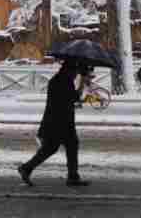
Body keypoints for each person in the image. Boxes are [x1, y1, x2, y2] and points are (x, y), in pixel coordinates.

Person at [17, 59, 88, 187]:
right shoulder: (64, 81)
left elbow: (68, 100)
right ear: (70, 70)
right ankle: (71, 177)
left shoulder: (60, 79)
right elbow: (74, 98)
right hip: (60, 122)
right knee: (61, 147)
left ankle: (27, 168)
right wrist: (83, 82)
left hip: (58, 121)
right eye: (75, 71)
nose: (76, 74)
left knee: (57, 147)